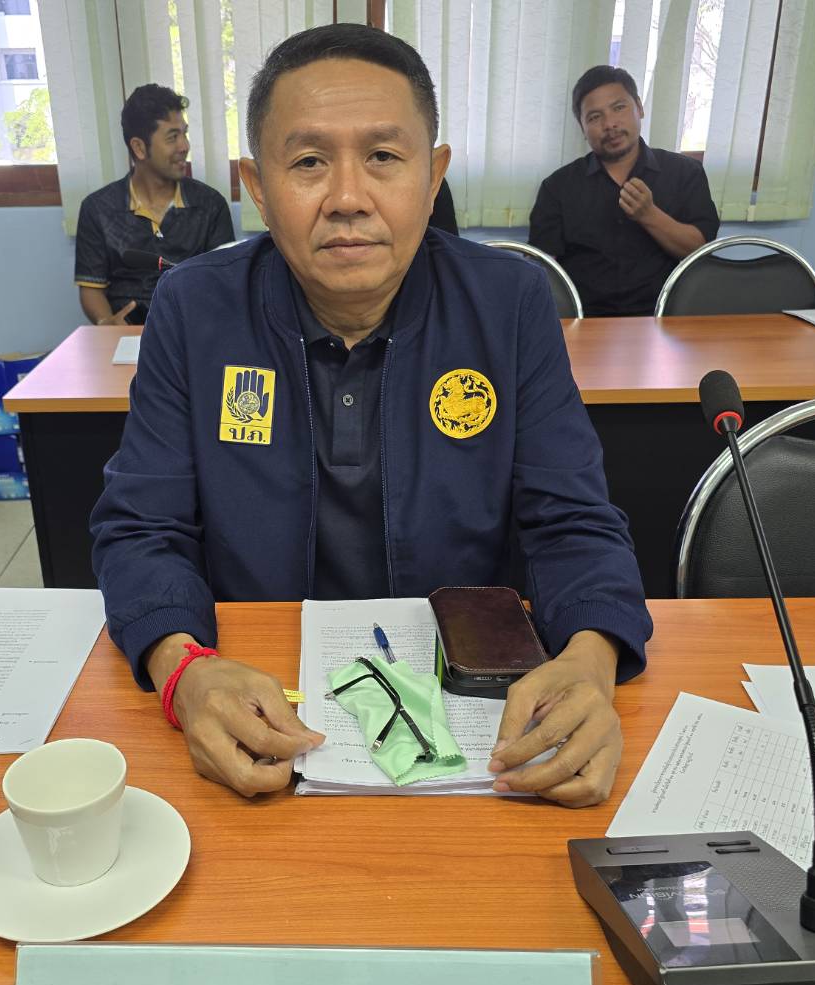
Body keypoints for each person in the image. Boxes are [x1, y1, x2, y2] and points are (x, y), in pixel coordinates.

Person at [89, 25, 652, 808]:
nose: (348, 198)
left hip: (470, 716)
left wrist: (590, 658)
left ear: (433, 175)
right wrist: (181, 667)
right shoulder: (193, 309)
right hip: (262, 696)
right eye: (308, 162)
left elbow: (575, 522)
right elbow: (139, 528)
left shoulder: (507, 303)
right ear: (256, 185)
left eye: (384, 156)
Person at [528, 65, 719, 316]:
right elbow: (543, 270)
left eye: (619, 108)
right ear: (582, 128)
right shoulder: (557, 187)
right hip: (585, 322)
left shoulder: (685, 173)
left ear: (639, 107)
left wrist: (649, 215)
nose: (610, 124)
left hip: (665, 322)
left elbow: (700, 252)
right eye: (594, 117)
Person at [75, 84, 235, 326]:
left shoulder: (210, 205)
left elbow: (223, 283)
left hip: (190, 329)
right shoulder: (97, 209)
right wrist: (106, 323)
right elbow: (91, 288)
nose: (184, 146)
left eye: (185, 134)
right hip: (126, 332)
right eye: (172, 137)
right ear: (139, 148)